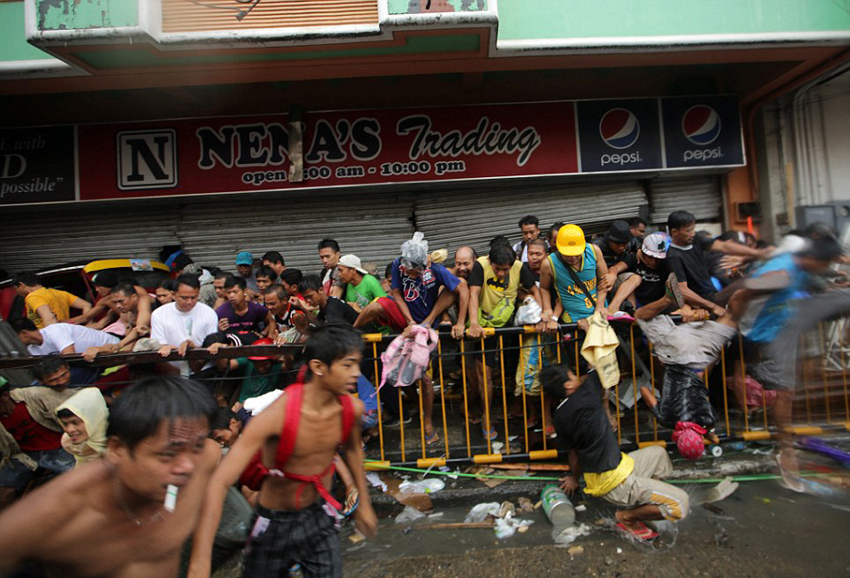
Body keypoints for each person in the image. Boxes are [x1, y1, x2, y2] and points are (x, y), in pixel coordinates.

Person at [188, 325, 377, 578]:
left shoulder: (350, 409)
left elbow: (353, 449)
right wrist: (199, 562)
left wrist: (363, 501)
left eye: (357, 364)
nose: (356, 374)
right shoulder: (277, 415)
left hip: (319, 517)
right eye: (347, 365)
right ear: (318, 367)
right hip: (274, 523)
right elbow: (219, 482)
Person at [0, 375, 220, 576]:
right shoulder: (56, 513)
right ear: (117, 450)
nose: (187, 466)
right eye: (168, 454)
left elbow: (216, 487)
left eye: (195, 447)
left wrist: (199, 564)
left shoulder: (203, 457)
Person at [737, 235, 844, 490]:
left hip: (787, 324)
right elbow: (744, 291)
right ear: (815, 260)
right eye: (825, 264)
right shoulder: (782, 272)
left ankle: (788, 442)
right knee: (786, 392)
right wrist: (729, 321)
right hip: (766, 332)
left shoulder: (802, 268)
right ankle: (786, 451)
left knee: (794, 385)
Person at [541, 364, 689, 541]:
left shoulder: (559, 415)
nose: (577, 377)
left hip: (613, 471)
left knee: (658, 454)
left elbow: (573, 454)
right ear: (568, 385)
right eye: (572, 375)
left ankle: (647, 502)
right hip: (617, 483)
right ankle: (627, 517)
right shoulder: (587, 394)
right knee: (680, 504)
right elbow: (597, 364)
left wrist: (574, 478)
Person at [633, 277, 744, 459]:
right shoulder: (666, 419)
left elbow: (701, 422)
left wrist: (710, 435)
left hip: (696, 357)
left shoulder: (708, 420)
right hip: (672, 356)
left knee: (730, 317)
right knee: (641, 315)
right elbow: (645, 392)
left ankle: (742, 292)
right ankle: (668, 300)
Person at [468, 243, 540, 439]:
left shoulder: (519, 267)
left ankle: (518, 408)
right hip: (485, 326)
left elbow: (536, 290)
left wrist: (546, 315)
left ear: (512, 264)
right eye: (497, 269)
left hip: (510, 324)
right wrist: (474, 323)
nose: (500, 273)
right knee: (485, 375)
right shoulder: (480, 266)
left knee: (514, 369)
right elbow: (473, 294)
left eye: (504, 269)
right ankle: (486, 416)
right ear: (490, 262)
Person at [0, 377, 76, 508]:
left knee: (80, 478)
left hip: (59, 447)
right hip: (25, 456)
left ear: (5, 396)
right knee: (4, 493)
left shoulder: (35, 396)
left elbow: (75, 404)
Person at [666, 210, 768, 305]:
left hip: (713, 294)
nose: (692, 233)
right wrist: (712, 307)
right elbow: (682, 291)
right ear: (674, 232)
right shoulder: (673, 257)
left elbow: (723, 246)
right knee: (751, 283)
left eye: (693, 229)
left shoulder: (696, 239)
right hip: (704, 301)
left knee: (755, 278)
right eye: (688, 231)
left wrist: (756, 253)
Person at [540, 224, 609, 334]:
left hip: (600, 315)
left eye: (577, 254)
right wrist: (547, 309)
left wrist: (599, 308)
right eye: (567, 254)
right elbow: (544, 287)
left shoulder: (594, 251)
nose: (573, 258)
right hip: (572, 321)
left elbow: (604, 281)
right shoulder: (549, 264)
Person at [151, 274, 219, 376]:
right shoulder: (159, 314)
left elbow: (211, 344)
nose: (189, 302)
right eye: (184, 298)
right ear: (173, 295)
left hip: (203, 370)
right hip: (172, 372)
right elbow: (159, 345)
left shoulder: (208, 313)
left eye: (194, 297)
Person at [605, 232, 678, 314]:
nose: (654, 261)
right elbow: (616, 268)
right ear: (643, 253)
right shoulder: (634, 259)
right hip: (634, 301)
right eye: (650, 257)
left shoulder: (666, 264)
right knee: (635, 278)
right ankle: (617, 309)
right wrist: (612, 275)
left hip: (655, 306)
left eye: (657, 258)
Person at [208, 337, 285, 404]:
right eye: (257, 364)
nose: (261, 368)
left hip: (262, 407)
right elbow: (225, 366)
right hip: (241, 406)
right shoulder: (248, 362)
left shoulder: (276, 367)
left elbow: (289, 363)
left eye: (265, 364)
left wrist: (285, 347)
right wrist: (219, 350)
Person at [12, 318, 119, 361]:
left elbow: (69, 357)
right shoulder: (32, 349)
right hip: (88, 361)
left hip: (113, 349)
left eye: (14, 337)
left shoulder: (54, 331)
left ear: (24, 333)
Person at [12, 271, 92, 329]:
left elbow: (49, 318)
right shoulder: (59, 293)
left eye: (16, 289)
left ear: (21, 285)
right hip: (65, 332)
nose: (17, 292)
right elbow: (87, 305)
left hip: (48, 338)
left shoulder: (33, 297)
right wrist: (88, 325)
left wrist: (52, 338)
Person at [55, 387, 109, 466]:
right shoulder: (69, 443)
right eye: (65, 424)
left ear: (92, 418)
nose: (69, 430)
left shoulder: (119, 441)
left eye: (75, 422)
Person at [292, 273, 359, 326]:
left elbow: (336, 334)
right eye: (305, 298)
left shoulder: (333, 307)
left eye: (310, 296)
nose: (308, 300)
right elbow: (318, 322)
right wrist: (301, 307)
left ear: (321, 290)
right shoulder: (324, 305)